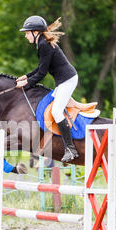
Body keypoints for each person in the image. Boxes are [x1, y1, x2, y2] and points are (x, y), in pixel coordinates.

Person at [16, 16, 79, 162]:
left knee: (57, 111)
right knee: (52, 108)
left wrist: (26, 84)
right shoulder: (41, 43)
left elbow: (42, 74)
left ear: (35, 32)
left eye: (27, 32)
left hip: (68, 80)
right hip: (63, 81)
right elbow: (40, 68)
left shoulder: (43, 44)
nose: (25, 36)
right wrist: (26, 76)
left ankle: (70, 148)